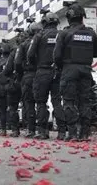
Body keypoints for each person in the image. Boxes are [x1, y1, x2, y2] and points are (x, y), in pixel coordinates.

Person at [53, 2, 97, 141]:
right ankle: (84, 133)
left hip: (69, 69)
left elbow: (57, 55)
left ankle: (72, 133)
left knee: (69, 101)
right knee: (85, 102)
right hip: (86, 70)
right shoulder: (91, 33)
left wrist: (62, 67)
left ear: (69, 17)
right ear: (82, 17)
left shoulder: (64, 33)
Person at [27, 10, 66, 140]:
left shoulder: (39, 36)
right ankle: (61, 132)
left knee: (41, 102)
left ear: (44, 22)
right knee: (57, 101)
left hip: (42, 71)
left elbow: (30, 55)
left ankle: (43, 131)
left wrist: (37, 64)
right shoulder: (62, 34)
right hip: (58, 72)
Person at [15, 21, 42, 138]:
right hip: (42, 73)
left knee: (29, 103)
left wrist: (21, 76)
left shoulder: (23, 45)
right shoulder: (43, 41)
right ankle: (43, 130)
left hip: (28, 75)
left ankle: (31, 130)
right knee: (42, 103)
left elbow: (17, 63)